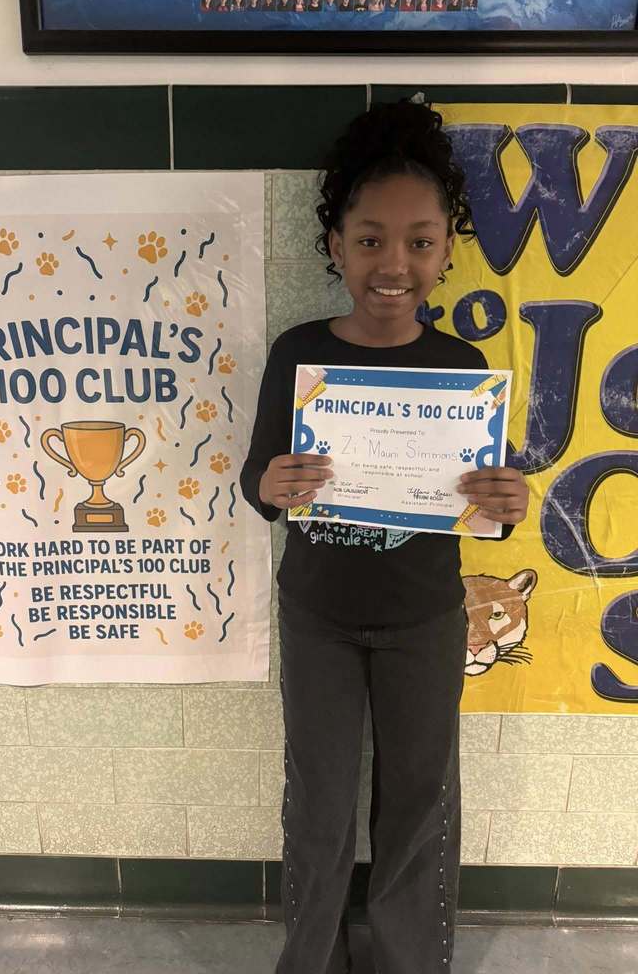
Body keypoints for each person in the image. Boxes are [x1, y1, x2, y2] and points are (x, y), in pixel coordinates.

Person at [241, 101, 528, 974]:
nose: (393, 264)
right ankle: (312, 960)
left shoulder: (462, 370)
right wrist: (271, 482)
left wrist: (507, 499)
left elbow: (487, 508)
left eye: (418, 241)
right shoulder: (298, 353)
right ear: (335, 245)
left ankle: (411, 961)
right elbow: (258, 481)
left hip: (424, 619)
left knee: (420, 801)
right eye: (370, 240)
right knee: (320, 805)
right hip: (319, 616)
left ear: (445, 250)